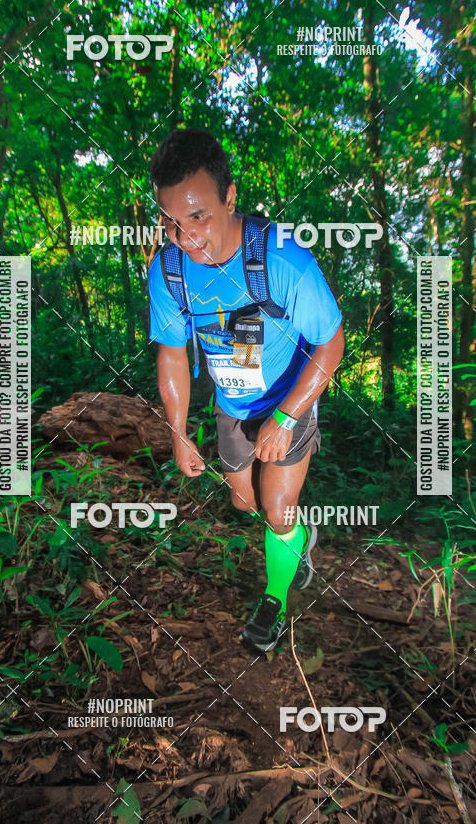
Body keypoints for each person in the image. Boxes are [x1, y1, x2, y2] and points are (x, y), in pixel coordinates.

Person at [147, 127, 344, 652]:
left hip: (288, 397)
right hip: (232, 405)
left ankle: (275, 601)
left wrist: (285, 418)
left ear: (230, 198)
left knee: (277, 510)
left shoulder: (283, 259)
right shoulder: (168, 272)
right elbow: (172, 352)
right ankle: (296, 538)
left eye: (198, 216)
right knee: (243, 503)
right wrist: (178, 432)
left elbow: (330, 344)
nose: (185, 235)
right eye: (171, 220)